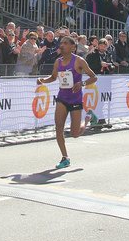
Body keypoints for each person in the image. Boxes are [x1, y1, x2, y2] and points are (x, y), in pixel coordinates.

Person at [37, 35, 97, 169]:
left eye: (65, 43)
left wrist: (81, 83)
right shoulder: (58, 62)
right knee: (59, 128)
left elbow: (94, 77)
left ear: (72, 47)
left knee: (75, 134)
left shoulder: (79, 61)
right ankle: (65, 157)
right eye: (61, 43)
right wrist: (43, 80)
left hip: (75, 99)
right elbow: (53, 77)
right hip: (62, 98)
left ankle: (88, 117)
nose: (62, 45)